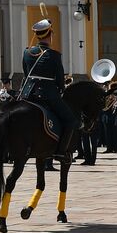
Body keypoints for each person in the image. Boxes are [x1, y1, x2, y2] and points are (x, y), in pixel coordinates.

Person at [20, 15, 80, 160]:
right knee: (71, 120)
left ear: (38, 35)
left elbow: (26, 73)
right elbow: (59, 80)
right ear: (50, 34)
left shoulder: (27, 52)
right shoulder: (54, 55)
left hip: (28, 94)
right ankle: (60, 152)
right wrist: (61, 89)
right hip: (47, 94)